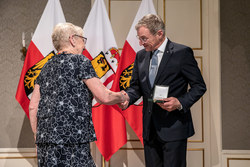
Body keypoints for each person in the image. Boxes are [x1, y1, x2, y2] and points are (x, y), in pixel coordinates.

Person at [29, 22, 125, 167]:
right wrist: (122, 96)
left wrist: (37, 136)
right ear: (72, 39)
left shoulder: (45, 67)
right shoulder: (81, 61)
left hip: (45, 141)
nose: (84, 45)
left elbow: (33, 106)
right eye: (82, 39)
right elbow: (103, 96)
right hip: (73, 139)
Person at [120, 14, 206, 167]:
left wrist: (180, 102)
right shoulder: (140, 56)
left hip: (174, 128)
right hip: (149, 129)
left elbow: (199, 86)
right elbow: (136, 87)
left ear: (159, 33)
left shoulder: (182, 53)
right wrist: (126, 97)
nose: (140, 43)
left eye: (144, 38)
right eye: (139, 38)